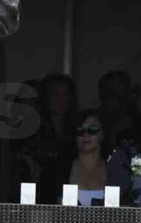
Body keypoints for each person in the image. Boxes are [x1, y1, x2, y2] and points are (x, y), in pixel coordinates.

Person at [32, 74, 78, 204]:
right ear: (45, 97)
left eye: (65, 94)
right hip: (39, 200)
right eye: (55, 94)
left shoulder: (79, 130)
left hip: (72, 199)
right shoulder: (33, 130)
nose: (60, 99)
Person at [97, 70, 141, 154]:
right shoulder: (93, 122)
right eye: (110, 93)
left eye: (117, 93)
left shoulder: (137, 119)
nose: (114, 99)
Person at [66, 110, 107, 206]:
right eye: (80, 131)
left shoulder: (114, 169)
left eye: (92, 130)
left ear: (102, 135)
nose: (85, 135)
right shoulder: (61, 169)